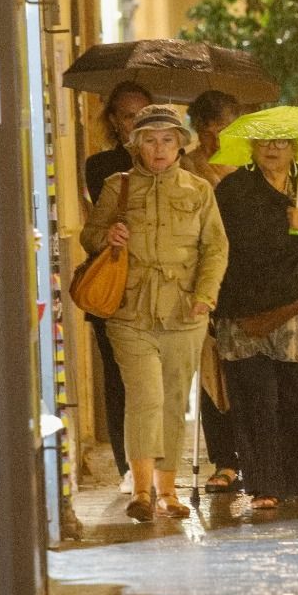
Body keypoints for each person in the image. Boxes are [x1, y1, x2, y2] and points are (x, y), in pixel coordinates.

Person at [82, 104, 229, 521]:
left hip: (185, 311)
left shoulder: (199, 191)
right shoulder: (118, 187)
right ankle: (141, 491)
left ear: (181, 145)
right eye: (150, 140)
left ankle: (169, 491)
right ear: (136, 146)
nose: (159, 148)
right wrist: (107, 235)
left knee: (172, 399)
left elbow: (216, 248)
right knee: (144, 394)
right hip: (131, 311)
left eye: (168, 140)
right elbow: (91, 235)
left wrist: (206, 295)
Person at [213, 137, 298, 511]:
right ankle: (264, 484)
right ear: (252, 147)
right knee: (254, 394)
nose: (273, 149)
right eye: (264, 142)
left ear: (295, 149)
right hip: (245, 304)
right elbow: (222, 242)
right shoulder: (234, 189)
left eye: (283, 143)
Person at [82, 81, 152, 493]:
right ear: (114, 120)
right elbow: (105, 213)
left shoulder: (168, 162)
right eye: (128, 115)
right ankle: (129, 467)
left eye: (144, 112)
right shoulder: (100, 164)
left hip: (155, 287)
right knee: (119, 376)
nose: (136, 121)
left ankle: (153, 465)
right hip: (114, 287)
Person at [182, 91, 244, 494]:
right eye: (211, 129)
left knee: (246, 369)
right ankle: (224, 460)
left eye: (224, 127)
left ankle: (252, 454)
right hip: (204, 276)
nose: (217, 137)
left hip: (245, 277)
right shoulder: (186, 168)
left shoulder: (248, 165)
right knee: (212, 372)